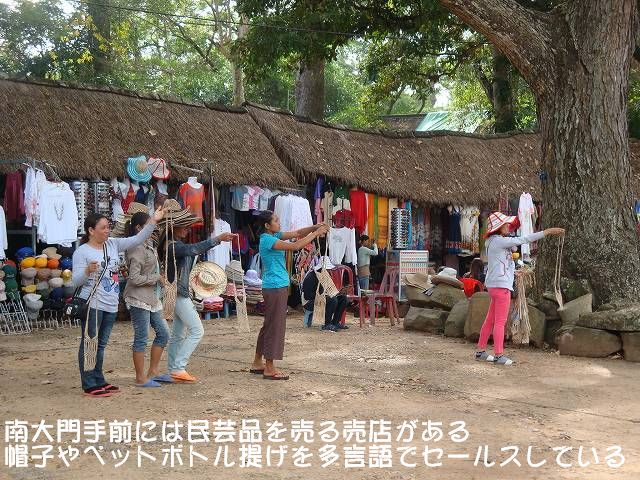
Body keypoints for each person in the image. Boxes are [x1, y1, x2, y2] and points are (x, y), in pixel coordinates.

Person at [72, 207, 165, 398]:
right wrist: (87, 271)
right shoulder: (82, 252)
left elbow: (137, 239)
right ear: (91, 230)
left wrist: (153, 220)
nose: (108, 230)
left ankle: (99, 379)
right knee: (90, 343)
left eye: (108, 227)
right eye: (104, 228)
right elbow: (75, 281)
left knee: (101, 344)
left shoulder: (113, 244)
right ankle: (89, 384)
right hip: (92, 304)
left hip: (110, 303)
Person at [476, 212, 564, 365]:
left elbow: (501, 263)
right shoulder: (500, 241)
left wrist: (514, 271)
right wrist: (547, 232)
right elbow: (524, 239)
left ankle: (480, 351)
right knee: (500, 322)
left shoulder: (491, 241)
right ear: (498, 227)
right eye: (505, 224)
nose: (508, 226)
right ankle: (498, 355)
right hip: (501, 287)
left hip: (494, 285)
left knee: (490, 320)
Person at [250, 211, 328, 380]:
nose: (279, 223)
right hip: (276, 286)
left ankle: (257, 362)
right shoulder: (268, 240)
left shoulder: (273, 235)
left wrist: (314, 227)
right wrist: (316, 233)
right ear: (267, 225)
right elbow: (295, 246)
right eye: (276, 220)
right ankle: (269, 368)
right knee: (275, 326)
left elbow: (298, 233)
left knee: (269, 325)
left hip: (274, 286)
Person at [159, 212, 235, 384]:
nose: (188, 230)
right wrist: (218, 239)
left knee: (178, 334)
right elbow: (193, 249)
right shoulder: (173, 246)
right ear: (174, 228)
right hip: (178, 293)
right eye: (185, 227)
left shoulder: (171, 245)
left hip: (176, 292)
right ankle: (178, 367)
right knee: (196, 330)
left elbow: (191, 250)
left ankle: (174, 369)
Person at [123, 212, 171, 388]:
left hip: (151, 297)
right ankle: (140, 377)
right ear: (138, 228)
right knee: (142, 338)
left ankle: (153, 371)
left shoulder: (148, 244)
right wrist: (156, 277)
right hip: (138, 297)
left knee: (163, 333)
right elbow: (134, 278)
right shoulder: (135, 247)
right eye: (149, 224)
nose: (154, 228)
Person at [301, 256, 350, 332]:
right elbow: (307, 296)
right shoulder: (311, 277)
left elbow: (329, 290)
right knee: (332, 300)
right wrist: (322, 296)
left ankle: (336, 322)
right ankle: (327, 324)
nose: (328, 270)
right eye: (327, 269)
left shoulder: (324, 276)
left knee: (343, 298)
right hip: (308, 302)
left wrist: (339, 293)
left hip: (320, 298)